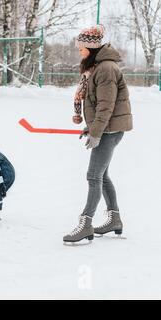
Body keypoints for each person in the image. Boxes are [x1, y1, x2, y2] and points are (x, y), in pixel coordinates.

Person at [63, 25, 133, 244]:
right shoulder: (98, 67)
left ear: (91, 48)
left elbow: (106, 106)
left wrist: (96, 131)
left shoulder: (106, 69)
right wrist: (91, 127)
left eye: (81, 48)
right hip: (107, 128)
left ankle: (86, 224)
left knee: (93, 176)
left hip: (109, 130)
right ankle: (114, 219)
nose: (80, 52)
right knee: (101, 176)